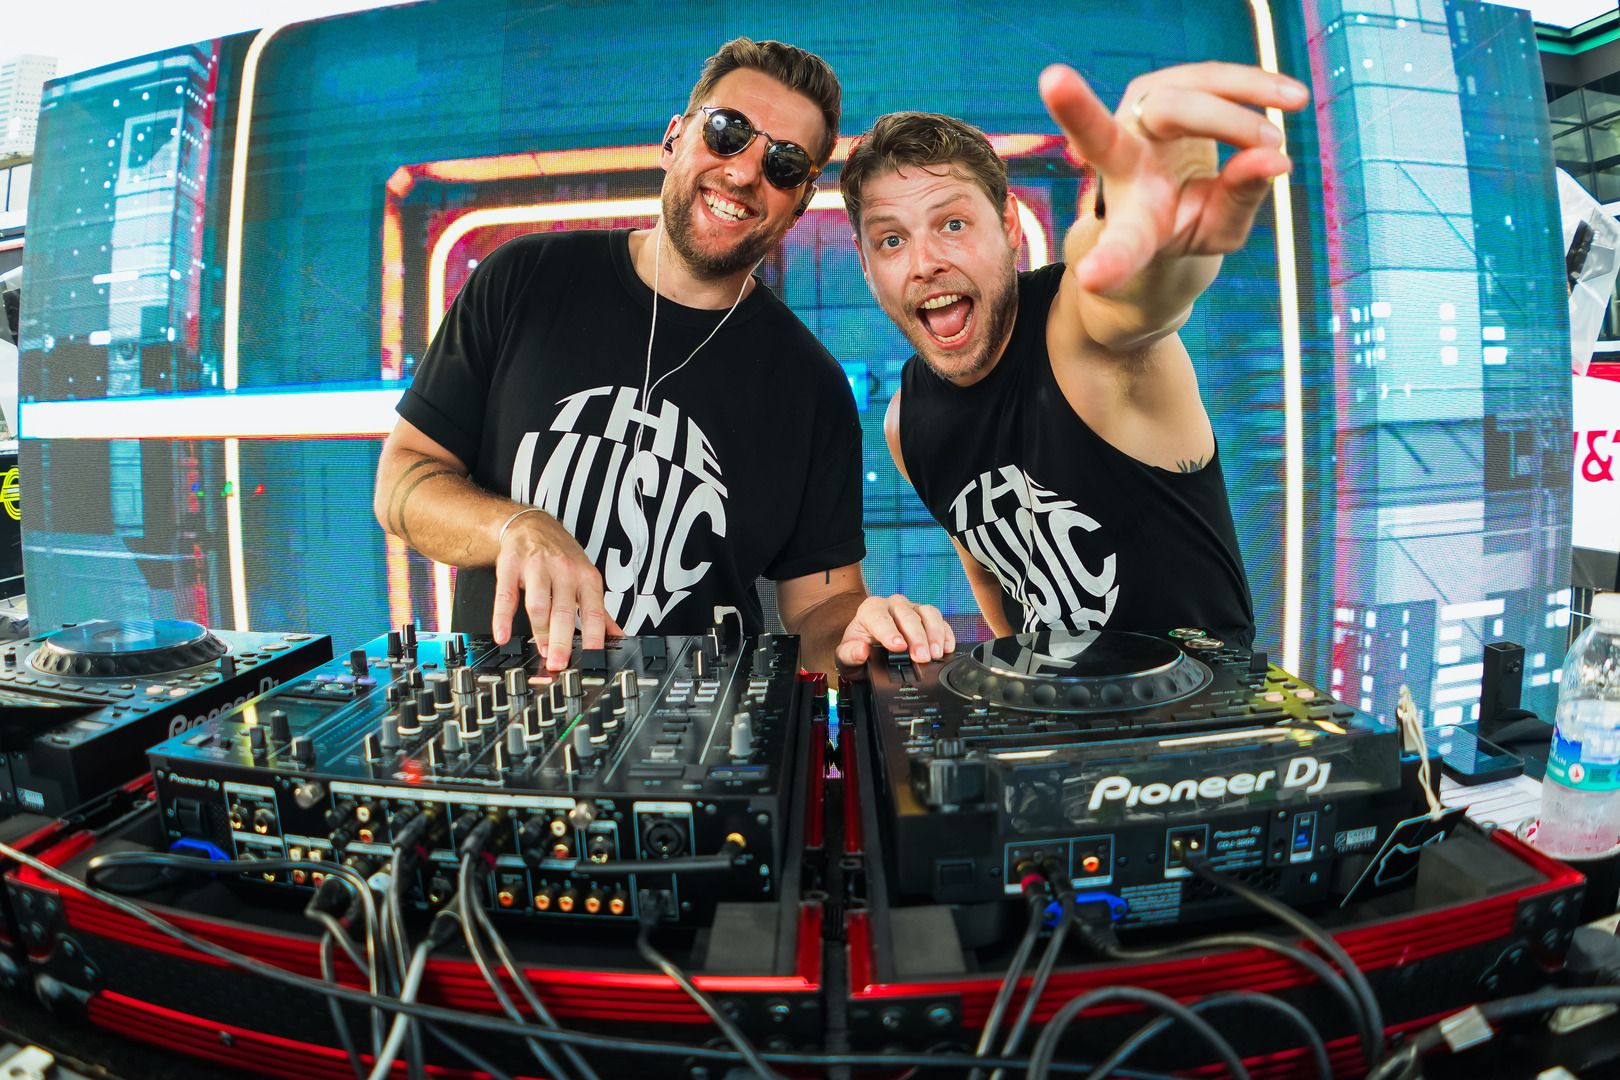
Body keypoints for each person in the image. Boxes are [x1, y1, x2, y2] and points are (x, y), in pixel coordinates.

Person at [374, 38, 951, 674]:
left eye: (784, 164)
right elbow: (403, 479)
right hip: (497, 717)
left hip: (703, 729)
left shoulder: (813, 388)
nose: (743, 174)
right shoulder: (522, 280)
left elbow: (821, 607)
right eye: (728, 132)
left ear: (800, 205)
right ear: (674, 138)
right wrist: (514, 528)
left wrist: (862, 630)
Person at [840, 62, 1311, 649]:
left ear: (1010, 225)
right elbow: (992, 573)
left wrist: (1152, 239)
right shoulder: (905, 425)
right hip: (1055, 703)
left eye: (953, 223)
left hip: (1199, 703)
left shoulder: (1079, 329)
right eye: (891, 239)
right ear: (866, 266)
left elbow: (1132, 295)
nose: (924, 263)